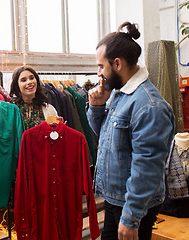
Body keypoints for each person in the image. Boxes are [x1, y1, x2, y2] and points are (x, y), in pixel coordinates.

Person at [87, 22, 175, 240]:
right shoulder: (120, 93)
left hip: (133, 204)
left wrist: (131, 217)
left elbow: (147, 166)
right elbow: (106, 137)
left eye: (101, 66)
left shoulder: (150, 106)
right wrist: (96, 108)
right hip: (115, 198)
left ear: (117, 63)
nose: (98, 73)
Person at [9, 65, 61, 129]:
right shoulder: (11, 110)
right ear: (17, 85)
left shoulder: (49, 109)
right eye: (23, 80)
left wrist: (59, 128)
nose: (29, 82)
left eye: (31, 78)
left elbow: (54, 135)